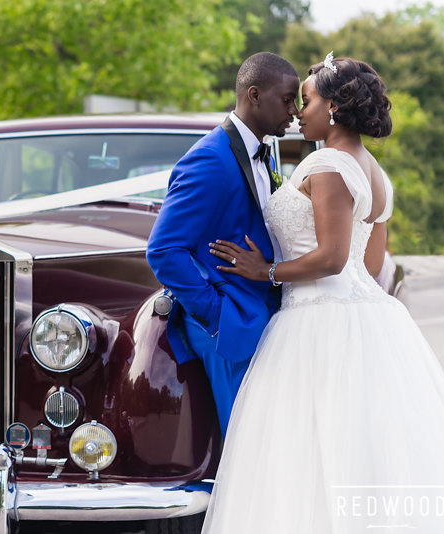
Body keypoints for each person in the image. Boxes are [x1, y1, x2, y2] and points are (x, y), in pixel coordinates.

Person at [202, 53, 444, 532]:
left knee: (303, 451)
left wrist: (266, 270)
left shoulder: (329, 163)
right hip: (369, 318)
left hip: (315, 321)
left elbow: (334, 258)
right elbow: (371, 264)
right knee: (360, 448)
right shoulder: (376, 173)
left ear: (335, 108)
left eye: (309, 101)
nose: (299, 112)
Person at [146, 52, 299, 436]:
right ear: (254, 95)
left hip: (263, 318)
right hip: (231, 327)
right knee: (243, 445)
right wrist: (216, 315)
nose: (295, 111)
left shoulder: (259, 155)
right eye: (287, 99)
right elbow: (163, 250)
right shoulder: (210, 159)